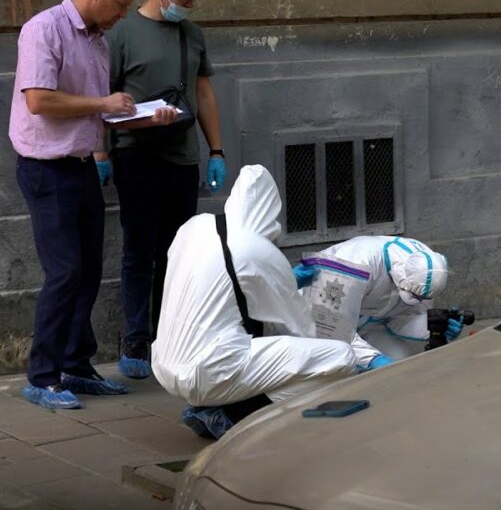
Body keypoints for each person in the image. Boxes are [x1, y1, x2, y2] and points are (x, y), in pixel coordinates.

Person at [9, 0, 178, 410]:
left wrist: (145, 118)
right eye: (120, 5)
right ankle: (42, 377)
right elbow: (40, 100)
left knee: (86, 273)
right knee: (63, 272)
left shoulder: (99, 41)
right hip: (46, 168)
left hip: (83, 165)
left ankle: (77, 367)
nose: (124, 14)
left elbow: (101, 113)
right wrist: (103, 101)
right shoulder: (43, 30)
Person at [152, 165, 358, 439]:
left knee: (241, 328)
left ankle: (203, 406)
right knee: (338, 358)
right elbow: (300, 329)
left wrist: (278, 285)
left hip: (164, 363)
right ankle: (230, 415)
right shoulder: (257, 249)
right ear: (271, 213)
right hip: (208, 372)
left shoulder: (193, 227)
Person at [100, 0, 226, 379]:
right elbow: (104, 96)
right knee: (139, 250)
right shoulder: (122, 34)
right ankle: (136, 339)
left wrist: (216, 151)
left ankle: (169, 335)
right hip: (136, 154)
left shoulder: (192, 34)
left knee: (177, 253)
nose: (189, 2)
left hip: (182, 156)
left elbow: (203, 92)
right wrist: (102, 154)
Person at [294, 236, 453, 368]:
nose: (419, 301)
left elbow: (399, 318)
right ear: (400, 275)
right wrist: (372, 360)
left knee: (399, 363)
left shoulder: (425, 268)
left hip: (365, 323)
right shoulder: (355, 262)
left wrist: (431, 327)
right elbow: (330, 329)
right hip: (311, 323)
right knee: (335, 374)